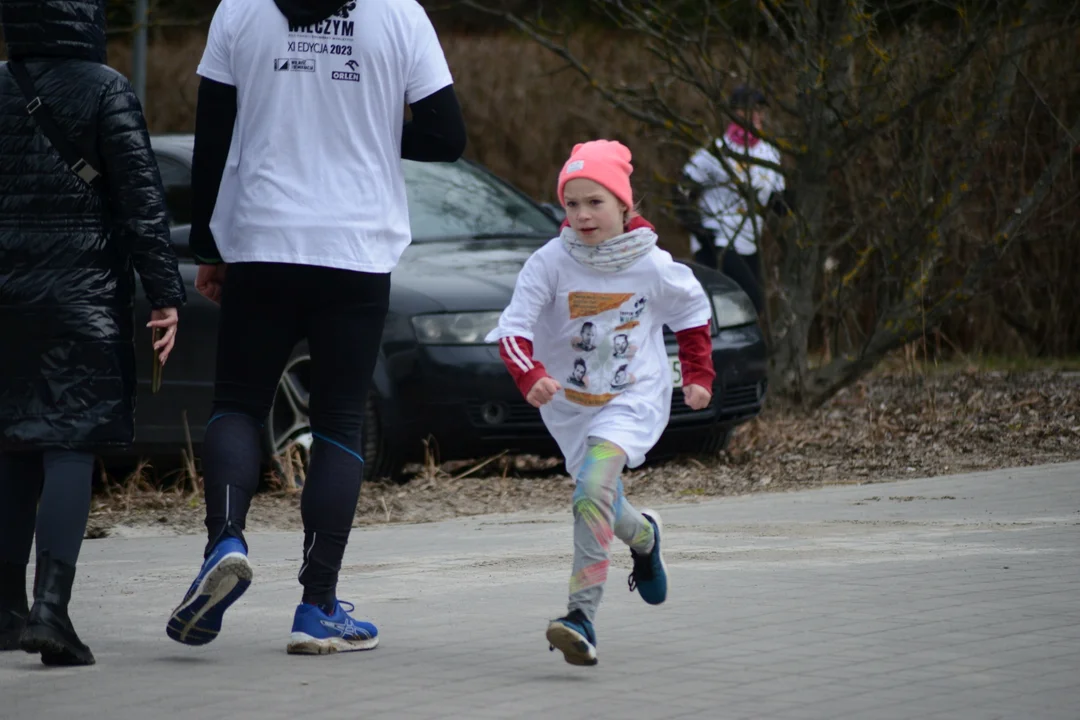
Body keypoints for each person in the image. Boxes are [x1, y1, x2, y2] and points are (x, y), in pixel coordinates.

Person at [165, 0, 466, 655]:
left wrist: (210, 245)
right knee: (337, 422)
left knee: (239, 404)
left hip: (262, 241)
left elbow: (212, 132)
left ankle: (225, 540)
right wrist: (371, 124)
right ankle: (317, 605)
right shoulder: (400, 14)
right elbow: (447, 137)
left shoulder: (239, 9)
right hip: (354, 251)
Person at [0, 0, 186, 667]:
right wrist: (164, 294)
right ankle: (52, 608)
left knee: (14, 439)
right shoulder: (107, 90)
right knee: (70, 442)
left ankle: (6, 607)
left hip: (6, 296)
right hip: (80, 295)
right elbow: (141, 201)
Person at [485, 140, 715, 666]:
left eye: (596, 202)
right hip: (569, 406)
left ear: (624, 206)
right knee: (601, 501)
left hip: (633, 399)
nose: (583, 215)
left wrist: (698, 373)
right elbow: (513, 330)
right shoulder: (550, 263)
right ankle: (645, 537)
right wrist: (531, 375)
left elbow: (693, 311)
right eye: (572, 204)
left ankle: (580, 615)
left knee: (590, 490)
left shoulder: (652, 265)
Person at [679, 85, 786, 315]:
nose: (753, 117)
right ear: (733, 114)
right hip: (718, 240)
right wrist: (699, 230)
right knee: (749, 299)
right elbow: (681, 191)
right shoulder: (715, 151)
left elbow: (778, 201)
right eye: (745, 111)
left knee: (745, 309)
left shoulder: (770, 154)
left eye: (758, 111)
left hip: (749, 241)